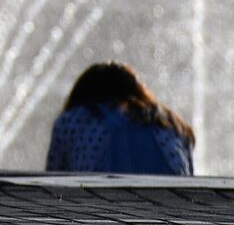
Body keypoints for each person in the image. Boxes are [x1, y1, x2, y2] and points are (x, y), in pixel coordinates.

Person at [45, 62, 194, 175]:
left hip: (97, 200)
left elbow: (54, 180)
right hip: (171, 202)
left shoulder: (73, 120)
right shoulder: (168, 121)